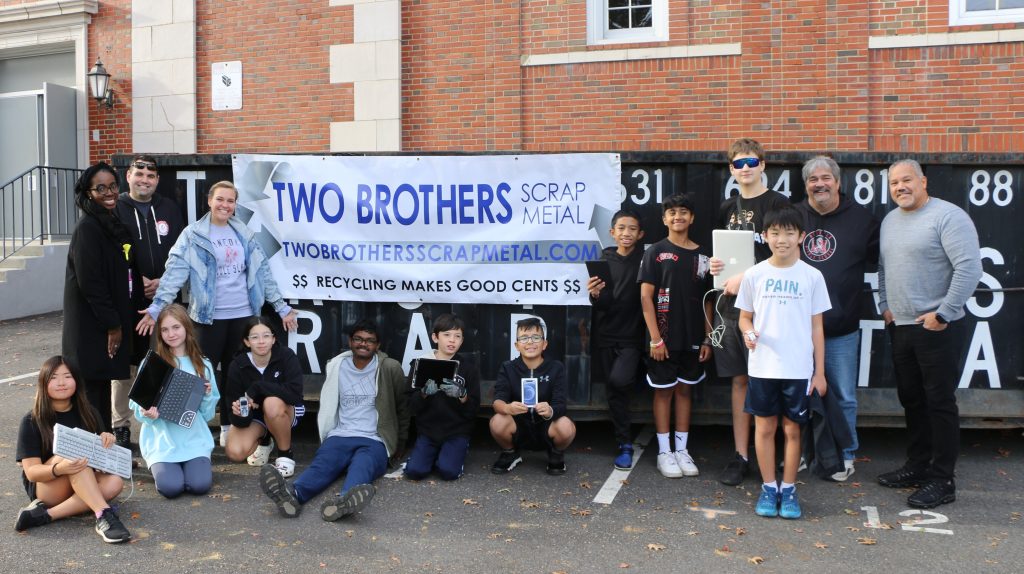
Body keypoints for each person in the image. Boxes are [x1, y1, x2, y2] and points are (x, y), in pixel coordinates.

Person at [136, 180, 298, 447]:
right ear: (209, 201)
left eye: (231, 201)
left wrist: (281, 307)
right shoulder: (193, 235)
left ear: (235, 205)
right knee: (204, 373)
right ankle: (197, 430)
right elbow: (175, 272)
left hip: (244, 316)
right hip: (207, 318)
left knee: (237, 373)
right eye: (220, 199)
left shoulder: (244, 233)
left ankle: (232, 426)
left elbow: (262, 273)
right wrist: (156, 308)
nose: (225, 205)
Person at [876, 159, 982, 509]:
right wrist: (886, 305)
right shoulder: (891, 220)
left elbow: (970, 267)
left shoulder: (948, 216)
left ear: (923, 181)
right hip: (902, 326)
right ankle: (918, 466)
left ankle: (942, 480)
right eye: (894, 183)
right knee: (912, 400)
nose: (900, 187)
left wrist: (944, 313)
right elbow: (883, 266)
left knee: (939, 403)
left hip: (937, 327)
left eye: (907, 180)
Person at [259, 320, 408, 521]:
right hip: (340, 435)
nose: (364, 344)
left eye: (370, 341)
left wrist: (400, 442)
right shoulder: (337, 365)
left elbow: (402, 407)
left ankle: (345, 500)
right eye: (358, 339)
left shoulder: (390, 368)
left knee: (362, 466)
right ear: (350, 341)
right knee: (322, 466)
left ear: (378, 345)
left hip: (375, 439)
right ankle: (292, 496)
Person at [736, 206, 831, 519]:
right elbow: (744, 318)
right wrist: (748, 332)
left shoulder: (812, 276)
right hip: (763, 368)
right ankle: (768, 487)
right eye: (775, 233)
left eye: (790, 232)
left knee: (793, 431)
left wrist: (819, 372)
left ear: (801, 237)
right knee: (764, 429)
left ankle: (788, 489)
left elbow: (817, 327)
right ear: (765, 236)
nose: (782, 239)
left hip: (798, 370)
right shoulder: (754, 274)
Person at [710, 138, 791, 486]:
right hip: (730, 309)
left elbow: (787, 256)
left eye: (751, 162)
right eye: (738, 164)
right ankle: (741, 455)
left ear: (763, 165)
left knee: (768, 381)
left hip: (770, 309)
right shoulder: (727, 207)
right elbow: (724, 258)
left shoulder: (779, 203)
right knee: (739, 381)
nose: (745, 169)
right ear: (731, 169)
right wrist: (716, 265)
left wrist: (748, 275)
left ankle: (767, 457)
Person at [795, 155, 879, 481]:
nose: (820, 184)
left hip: (841, 329)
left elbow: (878, 263)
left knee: (843, 395)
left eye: (825, 178)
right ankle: (803, 452)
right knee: (798, 395)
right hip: (798, 330)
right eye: (813, 179)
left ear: (838, 182)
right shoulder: (794, 217)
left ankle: (846, 454)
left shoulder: (862, 219)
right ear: (806, 185)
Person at [62, 162, 143, 433]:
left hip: (108, 321)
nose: (109, 193)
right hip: (92, 326)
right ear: (88, 192)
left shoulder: (109, 222)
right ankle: (93, 461)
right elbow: (91, 283)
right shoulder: (88, 229)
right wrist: (113, 324)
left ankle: (103, 455)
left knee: (100, 392)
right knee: (90, 395)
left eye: (112, 186)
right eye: (100, 188)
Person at [14, 356, 131, 543]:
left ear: (76, 380)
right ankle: (104, 515)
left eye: (67, 376)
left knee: (115, 482)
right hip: (48, 486)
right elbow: (32, 473)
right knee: (76, 455)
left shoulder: (89, 412)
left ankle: (46, 515)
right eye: (53, 377)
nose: (61, 383)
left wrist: (106, 443)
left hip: (83, 480)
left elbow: (100, 462)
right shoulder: (31, 420)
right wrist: (59, 469)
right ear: (43, 383)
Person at [111, 155, 185, 449]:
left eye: (150, 175)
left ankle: (163, 426)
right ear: (127, 176)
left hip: (165, 297)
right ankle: (121, 428)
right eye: (138, 173)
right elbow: (111, 251)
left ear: (157, 180)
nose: (144, 179)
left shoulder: (168, 208)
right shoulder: (116, 208)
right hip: (129, 298)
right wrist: (134, 277)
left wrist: (164, 281)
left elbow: (182, 250)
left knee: (164, 361)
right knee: (125, 365)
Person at [638, 194, 713, 478]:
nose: (677, 216)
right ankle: (664, 451)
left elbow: (708, 299)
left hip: (693, 336)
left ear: (692, 218)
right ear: (664, 219)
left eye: (683, 212)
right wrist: (655, 338)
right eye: (672, 212)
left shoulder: (704, 255)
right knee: (664, 391)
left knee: (685, 390)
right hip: (664, 339)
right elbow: (646, 297)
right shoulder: (655, 251)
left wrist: (707, 338)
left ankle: (682, 450)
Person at [131, 304, 219, 498]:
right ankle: (168, 468)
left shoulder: (203, 364)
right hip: (162, 440)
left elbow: (206, 414)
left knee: (200, 485)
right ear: (159, 333)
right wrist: (147, 414)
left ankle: (190, 467)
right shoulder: (151, 363)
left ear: (187, 328)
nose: (171, 334)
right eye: (164, 329)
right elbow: (138, 405)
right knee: (170, 488)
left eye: (176, 327)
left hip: (193, 439)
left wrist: (206, 396)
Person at [587, 209, 646, 470]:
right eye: (621, 228)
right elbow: (603, 304)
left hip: (633, 337)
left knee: (619, 381)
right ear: (612, 232)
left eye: (632, 228)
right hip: (606, 335)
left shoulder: (646, 260)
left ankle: (625, 441)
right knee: (614, 392)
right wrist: (596, 295)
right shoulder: (604, 260)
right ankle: (624, 443)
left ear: (640, 234)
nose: (626, 233)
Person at [490, 317, 577, 476]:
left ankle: (555, 453)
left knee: (566, 425)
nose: (530, 342)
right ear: (516, 345)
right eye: (524, 338)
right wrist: (508, 407)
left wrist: (550, 410)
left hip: (546, 427)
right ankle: (510, 453)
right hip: (519, 426)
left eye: (536, 337)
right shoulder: (508, 367)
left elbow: (561, 404)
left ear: (544, 344)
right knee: (497, 420)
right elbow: (497, 401)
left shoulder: (556, 368)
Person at [224, 316, 305, 478]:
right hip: (256, 417)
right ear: (247, 342)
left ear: (274, 339)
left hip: (286, 409)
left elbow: (295, 394)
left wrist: (258, 387)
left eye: (266, 336)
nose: (261, 341)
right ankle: (265, 440)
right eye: (254, 337)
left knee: (271, 403)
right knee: (235, 452)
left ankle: (285, 454)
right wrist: (241, 413)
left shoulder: (286, 355)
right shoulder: (237, 365)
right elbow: (237, 419)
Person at [404, 313, 481, 481]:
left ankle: (454, 453)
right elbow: (410, 405)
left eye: (457, 336)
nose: (452, 340)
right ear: (435, 337)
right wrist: (423, 393)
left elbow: (474, 407)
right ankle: (427, 456)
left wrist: (462, 395)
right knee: (415, 472)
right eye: (446, 335)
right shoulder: (419, 364)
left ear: (462, 340)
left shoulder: (468, 368)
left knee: (448, 472)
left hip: (457, 431)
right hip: (428, 431)